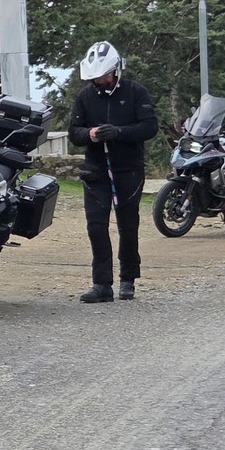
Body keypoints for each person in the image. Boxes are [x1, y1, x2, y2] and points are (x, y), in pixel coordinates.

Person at [66, 41, 158, 302]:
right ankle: (101, 284)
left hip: (128, 169)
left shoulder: (135, 92)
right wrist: (91, 134)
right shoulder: (85, 97)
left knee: (128, 225)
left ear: (115, 71)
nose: (100, 82)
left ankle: (128, 279)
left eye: (104, 76)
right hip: (95, 170)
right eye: (95, 78)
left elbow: (150, 127)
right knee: (96, 226)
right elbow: (74, 132)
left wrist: (119, 132)